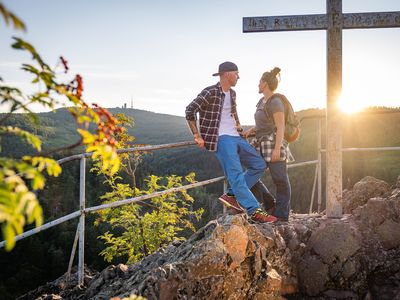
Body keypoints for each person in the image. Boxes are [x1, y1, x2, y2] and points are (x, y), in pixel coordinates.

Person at [185, 61, 277, 223]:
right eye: (236, 73)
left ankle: (232, 194)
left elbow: (233, 113)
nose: (238, 77)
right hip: (221, 138)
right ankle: (254, 211)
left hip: (236, 137)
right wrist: (196, 135)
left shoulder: (232, 93)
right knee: (235, 175)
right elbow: (190, 110)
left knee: (259, 164)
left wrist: (241, 129)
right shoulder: (210, 92)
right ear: (227, 74)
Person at [243, 67, 293, 222]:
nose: (258, 84)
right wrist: (254, 129)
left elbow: (280, 126)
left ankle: (282, 215)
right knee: (253, 173)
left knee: (280, 180)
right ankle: (270, 204)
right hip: (260, 144)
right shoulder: (261, 102)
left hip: (273, 145)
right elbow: (265, 122)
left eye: (259, 82)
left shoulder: (276, 102)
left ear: (264, 83)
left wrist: (278, 148)